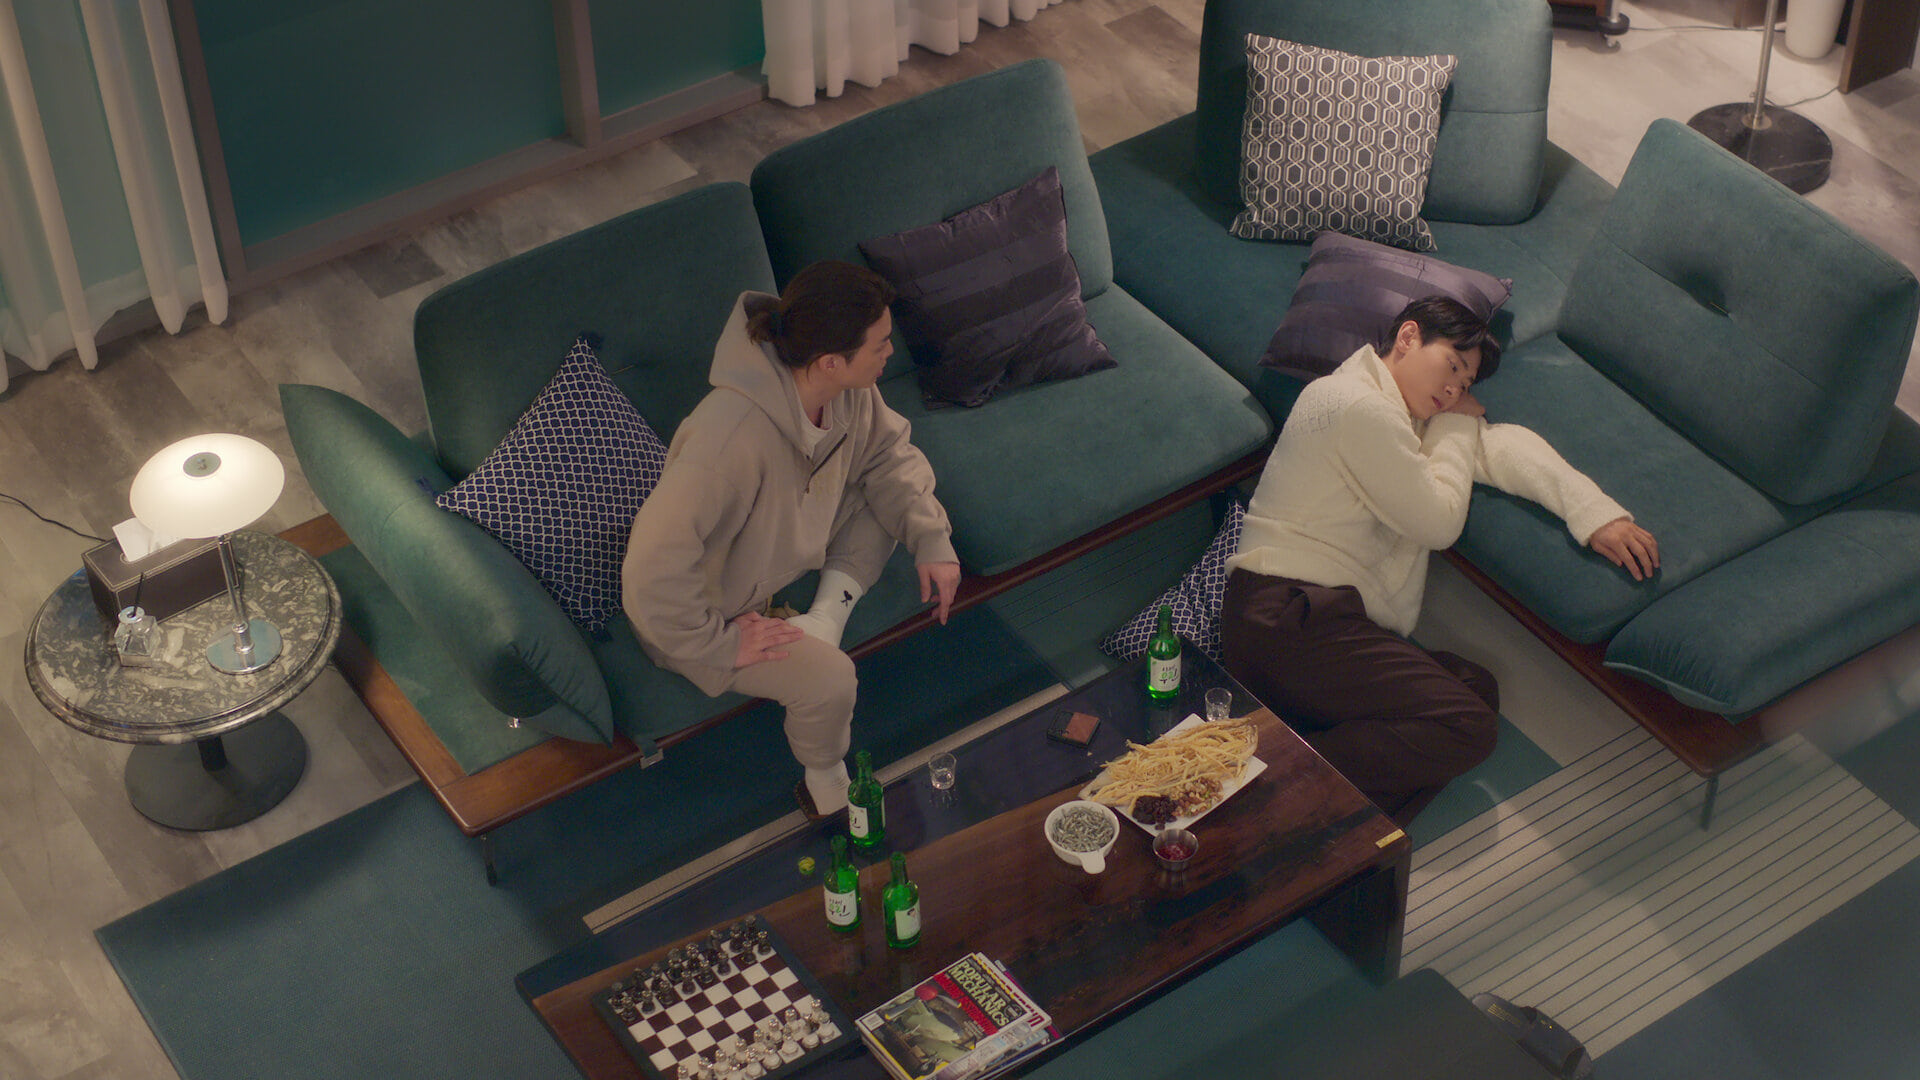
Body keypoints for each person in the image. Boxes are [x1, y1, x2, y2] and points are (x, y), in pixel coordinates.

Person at [1220, 296, 1658, 825]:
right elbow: (1437, 523)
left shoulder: (1408, 419)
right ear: (1408, 338)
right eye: (1452, 366)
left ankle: (1325, 819)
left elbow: (1504, 449)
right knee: (1467, 726)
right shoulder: (1353, 403)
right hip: (1285, 620)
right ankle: (1263, 799)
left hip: (1321, 623)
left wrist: (1596, 515)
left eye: (1466, 384)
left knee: (1476, 690)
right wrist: (1456, 426)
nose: (1455, 390)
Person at [622, 260, 962, 817]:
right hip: (709, 613)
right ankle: (823, 774)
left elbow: (888, 457)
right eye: (880, 344)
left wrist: (932, 540)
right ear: (831, 360)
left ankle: (822, 621)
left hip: (784, 547)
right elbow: (648, 573)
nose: (890, 352)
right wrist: (719, 645)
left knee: (888, 502)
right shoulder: (725, 441)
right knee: (831, 681)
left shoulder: (848, 391)